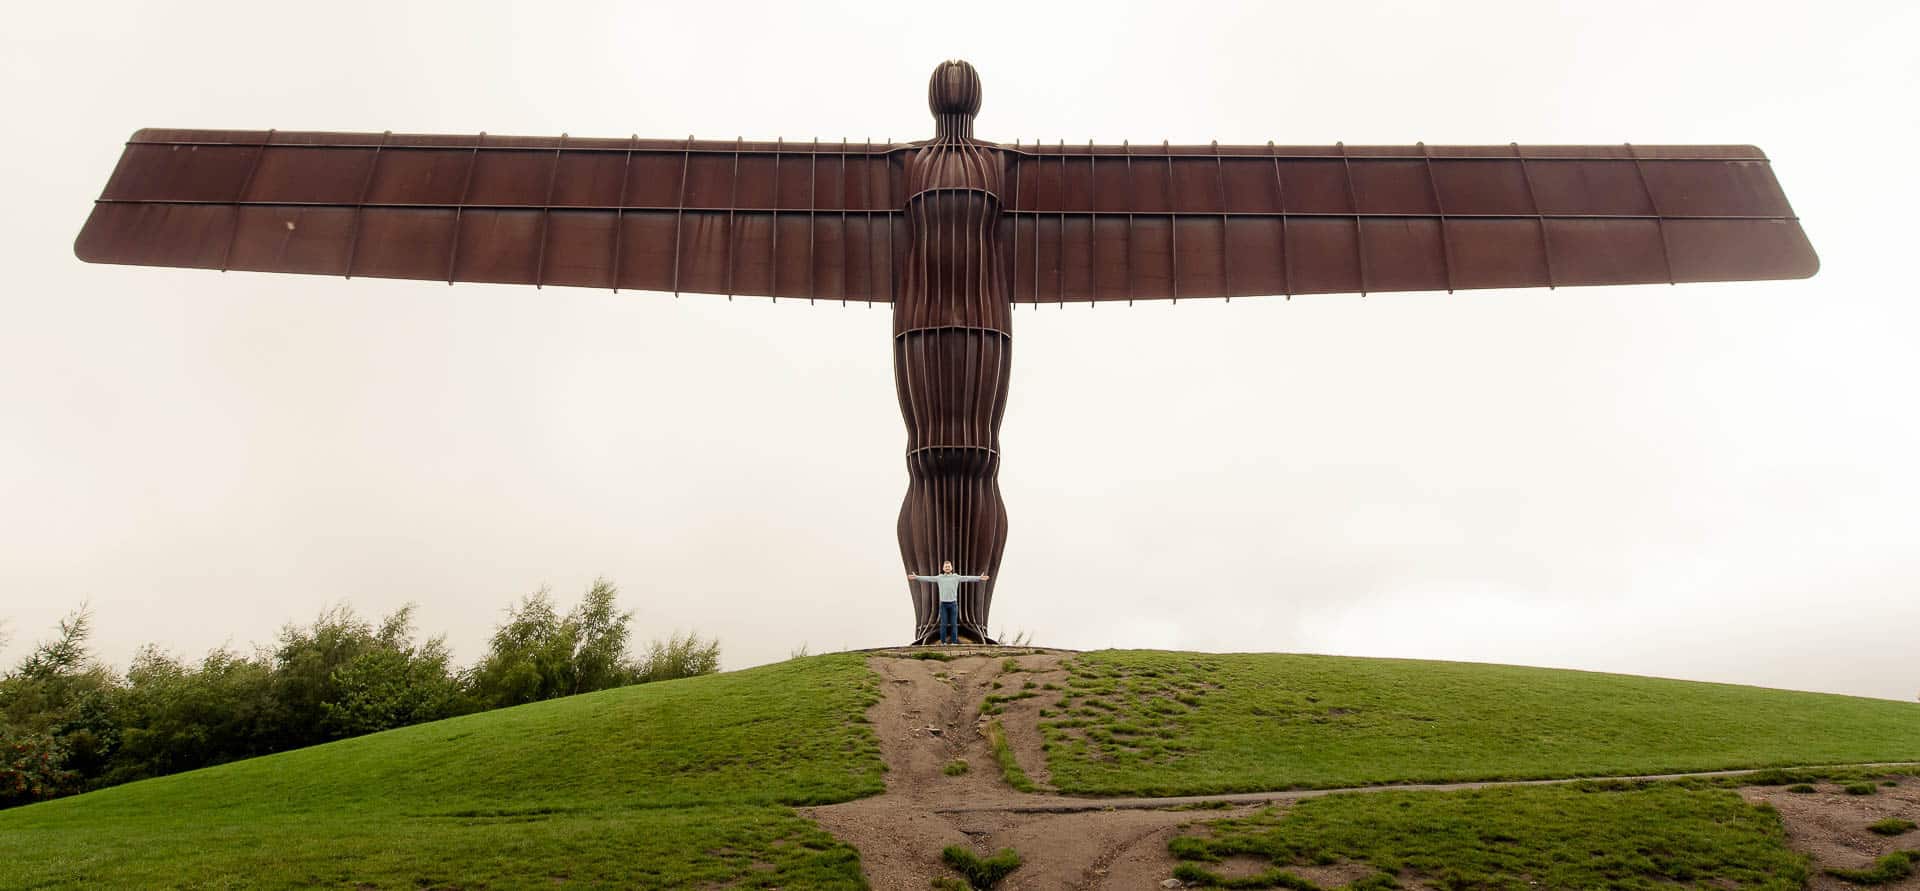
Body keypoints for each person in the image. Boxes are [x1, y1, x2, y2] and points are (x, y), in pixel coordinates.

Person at [907, 560, 989, 645]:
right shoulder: (939, 577)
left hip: (953, 604)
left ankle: (954, 642)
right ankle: (943, 642)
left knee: (953, 624)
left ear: (951, 568)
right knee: (943, 624)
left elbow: (967, 578)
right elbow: (928, 578)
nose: (947, 568)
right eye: (946, 566)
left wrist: (979, 578)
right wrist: (916, 577)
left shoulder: (956, 577)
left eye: (949, 566)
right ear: (943, 568)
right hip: (943, 605)